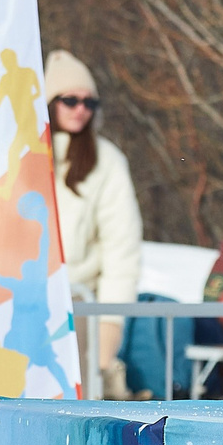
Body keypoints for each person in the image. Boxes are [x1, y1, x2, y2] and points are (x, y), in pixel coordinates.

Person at [44, 51, 143, 400]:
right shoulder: (18, 156)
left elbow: (122, 251)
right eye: (70, 100)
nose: (80, 110)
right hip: (20, 303)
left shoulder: (107, 162)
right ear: (49, 103)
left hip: (78, 309)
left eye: (89, 102)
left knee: (72, 413)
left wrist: (108, 332)